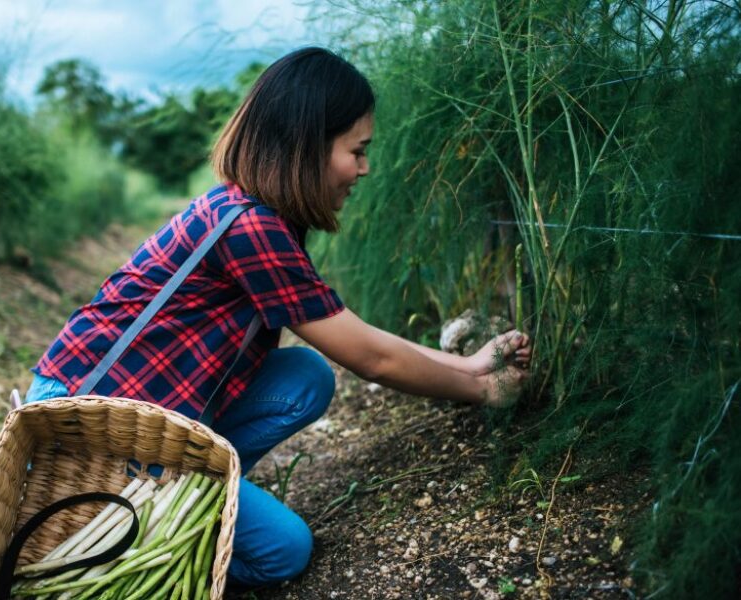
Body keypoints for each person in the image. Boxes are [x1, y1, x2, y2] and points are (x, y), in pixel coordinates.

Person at [26, 47, 530, 588]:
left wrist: (471, 364)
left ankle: (185, 496)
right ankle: (155, 535)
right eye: (356, 150)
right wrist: (480, 391)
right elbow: (373, 358)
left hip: (144, 409)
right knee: (284, 551)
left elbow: (351, 331)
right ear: (307, 145)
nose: (365, 168)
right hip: (90, 425)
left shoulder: (251, 212)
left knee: (305, 377)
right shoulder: (250, 228)